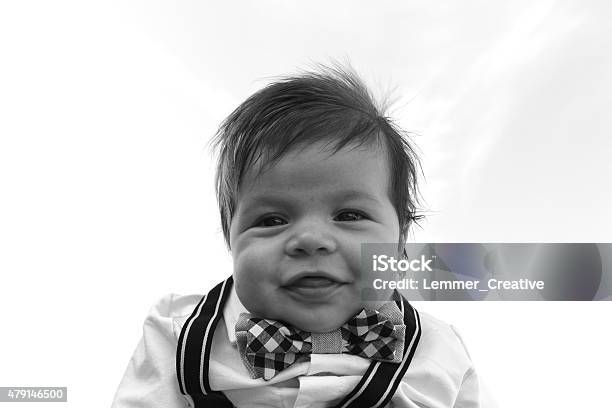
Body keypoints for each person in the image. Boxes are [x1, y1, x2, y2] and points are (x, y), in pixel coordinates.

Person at [112, 65, 492, 407]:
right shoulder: (179, 333)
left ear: (399, 241)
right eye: (272, 220)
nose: (310, 239)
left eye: (349, 215)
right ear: (232, 238)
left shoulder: (439, 350)